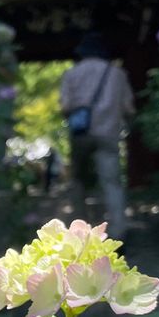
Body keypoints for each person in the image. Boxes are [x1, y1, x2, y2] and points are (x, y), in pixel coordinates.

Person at [59, 32, 135, 237]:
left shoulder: (71, 74)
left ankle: (81, 233)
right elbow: (129, 108)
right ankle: (118, 232)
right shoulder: (118, 74)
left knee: (78, 183)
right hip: (109, 133)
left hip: (81, 135)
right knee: (111, 184)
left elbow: (65, 106)